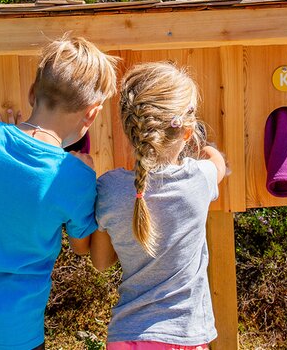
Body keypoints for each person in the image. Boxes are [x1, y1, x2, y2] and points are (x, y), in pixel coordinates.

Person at [0, 35, 119, 350]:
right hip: (14, 337)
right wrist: (83, 172)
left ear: (31, 92)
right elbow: (82, 248)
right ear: (92, 114)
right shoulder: (75, 177)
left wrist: (0, 133)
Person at [90, 62, 227, 350]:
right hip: (183, 337)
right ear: (187, 131)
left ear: (129, 128)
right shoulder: (197, 180)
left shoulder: (109, 189)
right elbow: (218, 164)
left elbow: (102, 262)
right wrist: (207, 147)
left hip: (126, 337)